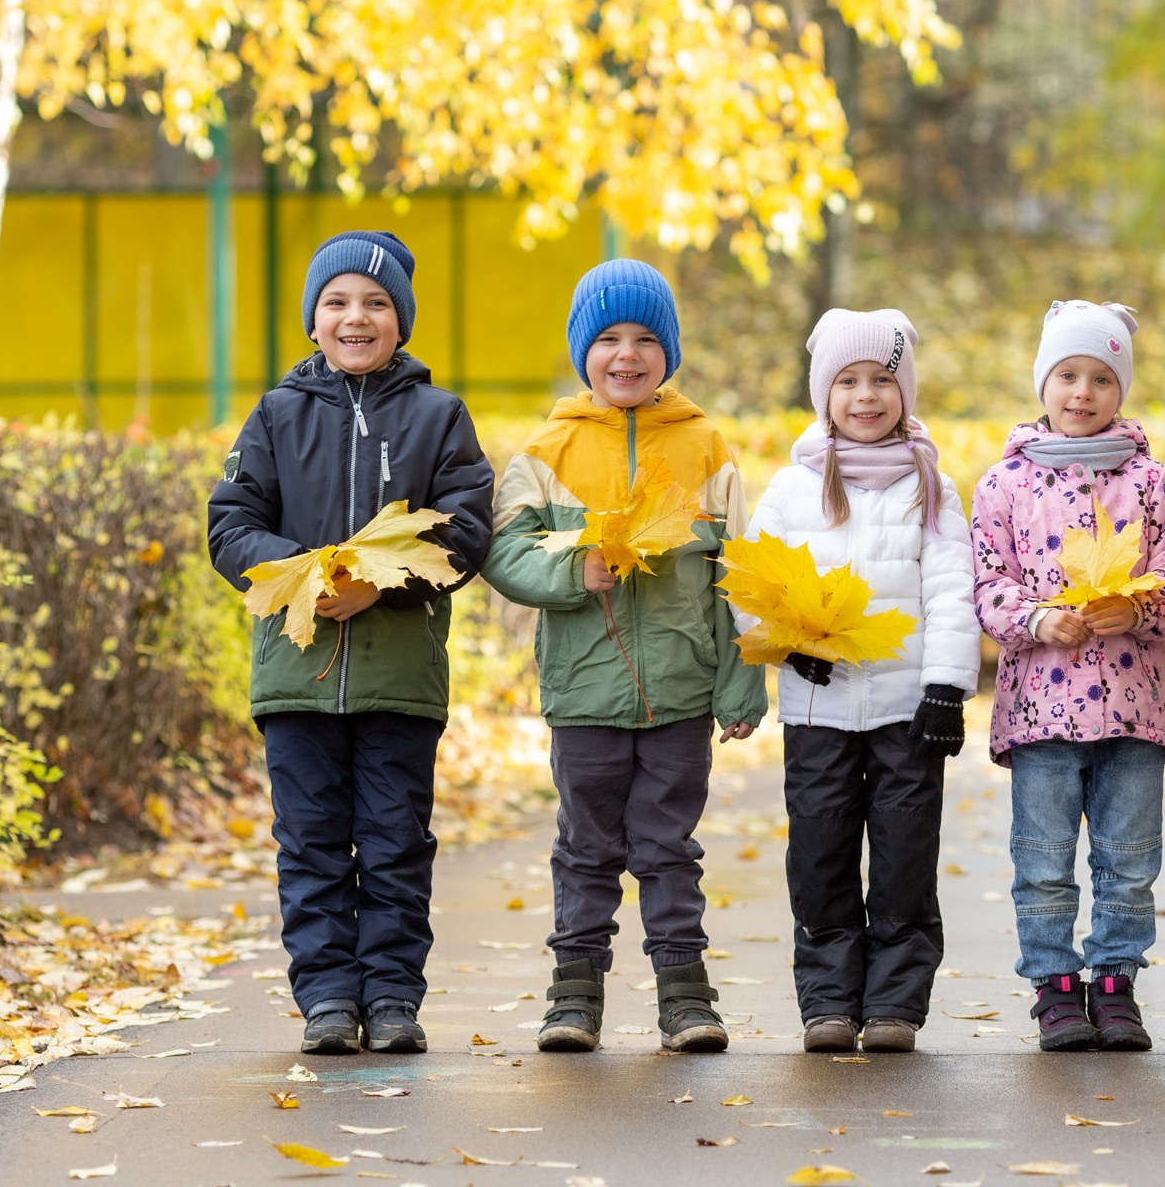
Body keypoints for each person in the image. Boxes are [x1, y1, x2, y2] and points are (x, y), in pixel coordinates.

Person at [209, 231, 494, 1056]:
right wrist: (304, 575)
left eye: (375, 304)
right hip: (296, 679)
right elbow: (232, 526)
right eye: (336, 302)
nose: (355, 317)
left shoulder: (440, 418)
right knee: (311, 843)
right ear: (312, 320)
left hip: (399, 679)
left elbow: (466, 530)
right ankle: (329, 997)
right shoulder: (275, 414)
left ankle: (395, 996)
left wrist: (383, 583)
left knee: (397, 840)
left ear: (400, 321)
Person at [481, 259, 766, 1054]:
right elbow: (503, 553)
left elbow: (740, 572)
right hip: (584, 693)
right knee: (586, 847)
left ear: (668, 351)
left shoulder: (705, 446)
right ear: (584, 352)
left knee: (668, 847)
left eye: (645, 338)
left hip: (680, 691)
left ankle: (686, 996)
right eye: (607, 338)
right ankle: (574, 995)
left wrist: (740, 686)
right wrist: (573, 571)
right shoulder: (549, 449)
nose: (626, 354)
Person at [737, 309, 980, 1054]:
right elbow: (755, 585)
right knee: (821, 854)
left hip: (909, 708)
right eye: (849, 381)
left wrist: (946, 687)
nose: (866, 396)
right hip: (820, 706)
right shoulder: (791, 488)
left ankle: (896, 1004)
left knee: (905, 855)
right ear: (824, 392)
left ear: (904, 391)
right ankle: (829, 1000)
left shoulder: (931, 489)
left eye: (882, 380)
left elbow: (950, 592)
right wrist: (783, 646)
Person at [968, 300, 1165, 1052]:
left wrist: (1142, 610)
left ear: (1120, 388)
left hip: (1135, 709)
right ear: (1043, 382)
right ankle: (1054, 984)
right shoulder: (1004, 485)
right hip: (1040, 712)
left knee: (1129, 860)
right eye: (1067, 375)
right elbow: (987, 581)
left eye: (1101, 378)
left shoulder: (1157, 485)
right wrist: (1036, 618)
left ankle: (1116, 979)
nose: (1082, 392)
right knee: (1041, 859)